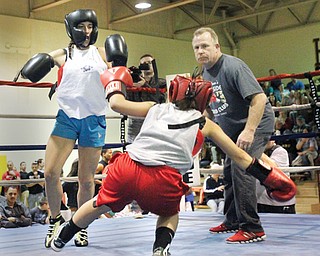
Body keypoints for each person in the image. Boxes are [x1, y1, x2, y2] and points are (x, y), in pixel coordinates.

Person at [50, 72, 295, 255]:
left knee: (98, 204)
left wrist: (116, 75)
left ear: (172, 93)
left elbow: (115, 104)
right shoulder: (204, 123)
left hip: (127, 167)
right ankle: (160, 248)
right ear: (205, 101)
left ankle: (63, 236)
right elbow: (240, 157)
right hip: (162, 179)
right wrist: (269, 176)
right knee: (169, 213)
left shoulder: (154, 107)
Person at [19, 9, 112, 248]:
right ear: (71, 28)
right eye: (82, 26)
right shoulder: (62, 54)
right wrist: (36, 70)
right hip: (67, 118)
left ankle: (80, 227)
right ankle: (55, 219)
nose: (87, 31)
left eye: (91, 26)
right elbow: (36, 68)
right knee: (50, 173)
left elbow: (122, 74)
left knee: (86, 179)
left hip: (94, 118)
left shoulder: (102, 54)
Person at [192, 27, 275, 244]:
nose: (200, 51)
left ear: (217, 47)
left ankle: (252, 228)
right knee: (228, 172)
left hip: (255, 124)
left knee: (242, 169)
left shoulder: (233, 66)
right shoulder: (205, 72)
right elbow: (210, 108)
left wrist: (249, 130)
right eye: (197, 48)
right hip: (233, 130)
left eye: (205, 46)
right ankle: (232, 221)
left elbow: (259, 99)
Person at [126, 54, 167, 143]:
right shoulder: (133, 81)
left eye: (149, 63)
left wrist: (144, 85)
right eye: (143, 63)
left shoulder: (162, 83)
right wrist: (129, 84)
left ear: (154, 65)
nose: (147, 65)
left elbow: (160, 101)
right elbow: (126, 102)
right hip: (135, 123)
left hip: (155, 122)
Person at [257, 140, 296, 214]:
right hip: (261, 201)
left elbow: (272, 168)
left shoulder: (280, 151)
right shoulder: (259, 152)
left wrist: (255, 150)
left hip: (280, 203)